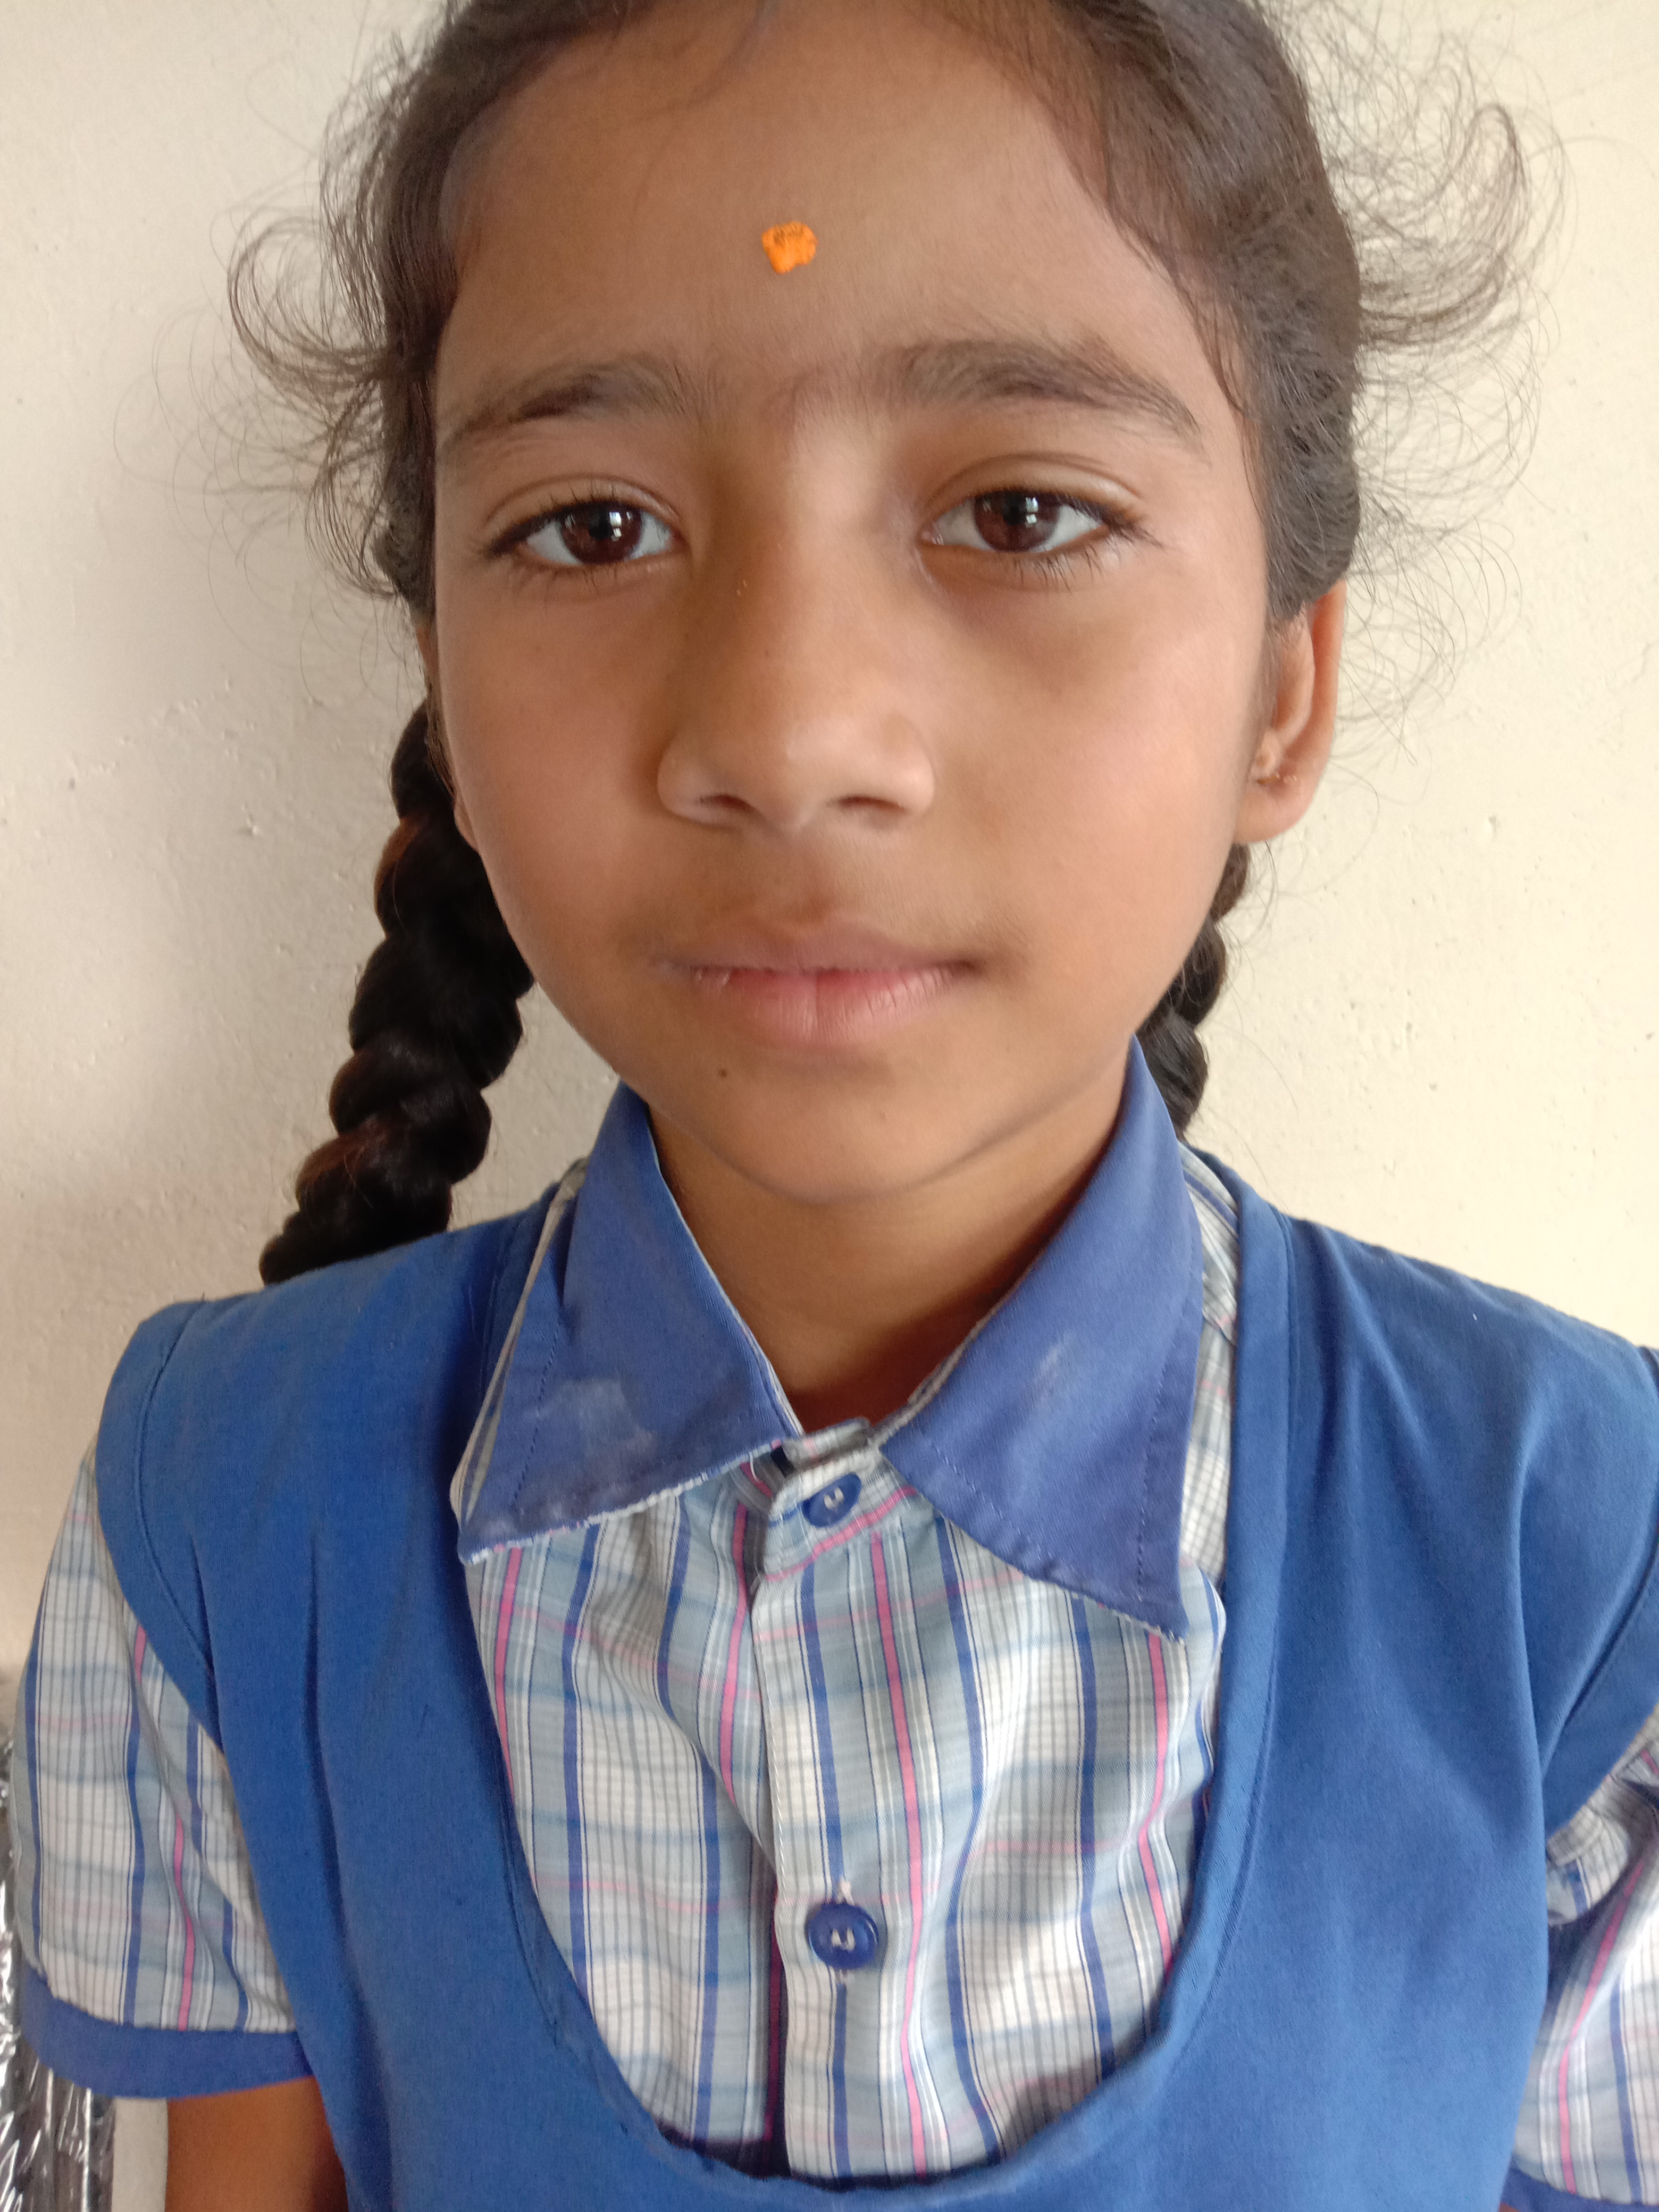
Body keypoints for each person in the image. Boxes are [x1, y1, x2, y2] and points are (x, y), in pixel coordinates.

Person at [9, 0, 1657, 2206]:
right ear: (444, 695)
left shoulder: (1585, 1557)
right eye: (594, 526)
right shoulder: (221, 1514)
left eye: (1020, 510)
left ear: (1284, 687)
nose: (786, 735)